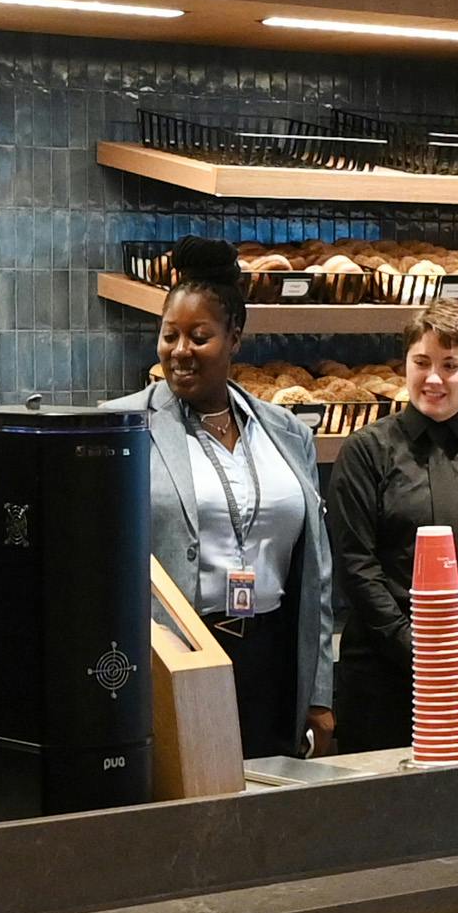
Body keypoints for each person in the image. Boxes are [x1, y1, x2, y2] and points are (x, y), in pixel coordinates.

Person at [137, 244, 337, 759]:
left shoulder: (286, 432)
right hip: (180, 654)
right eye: (169, 335)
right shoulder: (128, 426)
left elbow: (316, 573)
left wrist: (318, 693)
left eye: (199, 337)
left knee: (271, 814)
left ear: (235, 340)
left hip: (271, 654)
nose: (180, 350)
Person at [320, 302, 458, 753]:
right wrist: (422, 651)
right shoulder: (366, 453)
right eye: (421, 363)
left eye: (450, 365)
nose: (433, 379)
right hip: (384, 674)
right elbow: (356, 567)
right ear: (405, 364)